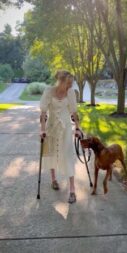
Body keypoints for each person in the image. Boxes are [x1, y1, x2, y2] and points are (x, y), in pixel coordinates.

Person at [40, 70, 82, 204]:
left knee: (68, 155)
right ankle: (53, 180)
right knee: (51, 153)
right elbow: (43, 112)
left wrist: (78, 127)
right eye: (68, 83)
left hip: (65, 129)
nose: (70, 85)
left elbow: (74, 112)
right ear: (61, 81)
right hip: (51, 127)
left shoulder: (70, 93)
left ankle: (72, 190)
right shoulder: (49, 91)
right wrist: (42, 129)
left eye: (72, 83)